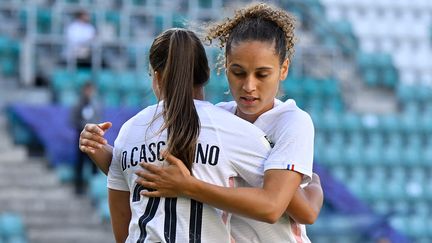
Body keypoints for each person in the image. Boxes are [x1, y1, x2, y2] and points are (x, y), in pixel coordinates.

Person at [79, 3, 323, 242]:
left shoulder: (292, 121)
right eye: (238, 72)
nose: (249, 86)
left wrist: (315, 188)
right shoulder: (219, 118)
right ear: (223, 67)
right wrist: (109, 153)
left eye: (262, 74)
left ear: (283, 69)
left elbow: (291, 209)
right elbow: (161, 169)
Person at [106, 28, 277, 242]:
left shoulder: (129, 130)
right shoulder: (235, 130)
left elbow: (123, 229)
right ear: (205, 74)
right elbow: (276, 204)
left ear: (157, 76)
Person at [71, 82, 101, 195]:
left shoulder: (96, 104)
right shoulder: (78, 104)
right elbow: (73, 119)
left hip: (93, 138)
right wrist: (83, 126)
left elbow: (99, 118)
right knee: (79, 163)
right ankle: (78, 188)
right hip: (81, 137)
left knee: (95, 163)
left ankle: (95, 189)